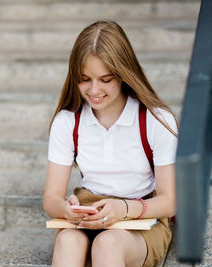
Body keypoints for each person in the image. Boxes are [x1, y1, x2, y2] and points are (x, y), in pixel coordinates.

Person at [43, 20, 178, 267]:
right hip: (89, 214)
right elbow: (51, 198)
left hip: (140, 218)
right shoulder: (67, 121)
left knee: (108, 244)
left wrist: (124, 209)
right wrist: (65, 209)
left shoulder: (155, 120)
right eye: (85, 79)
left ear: (124, 74)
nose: (94, 90)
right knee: (67, 242)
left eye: (106, 79)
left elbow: (170, 201)